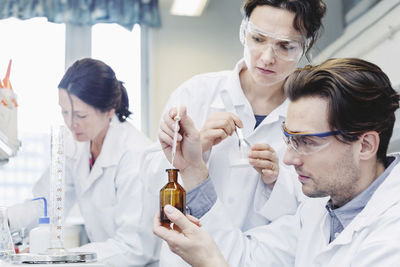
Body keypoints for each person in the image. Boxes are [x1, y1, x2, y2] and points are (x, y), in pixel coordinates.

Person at [154, 58, 400, 266]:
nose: (288, 158)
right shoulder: (318, 210)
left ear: (365, 145)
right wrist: (192, 168)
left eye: (308, 142)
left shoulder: (391, 235)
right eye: (289, 139)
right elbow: (245, 257)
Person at [145, 0, 326, 265]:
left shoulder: (312, 113)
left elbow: (315, 209)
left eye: (285, 46)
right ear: (244, 31)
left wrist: (277, 180)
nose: (266, 57)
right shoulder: (196, 94)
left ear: (306, 45)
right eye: (257, 38)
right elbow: (150, 185)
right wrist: (196, 151)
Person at [8, 58, 158, 266]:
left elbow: (134, 249)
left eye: (80, 115)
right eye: (65, 112)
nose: (70, 124)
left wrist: (64, 257)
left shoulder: (135, 154)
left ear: (109, 110)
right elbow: (45, 204)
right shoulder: (75, 146)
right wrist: (6, 220)